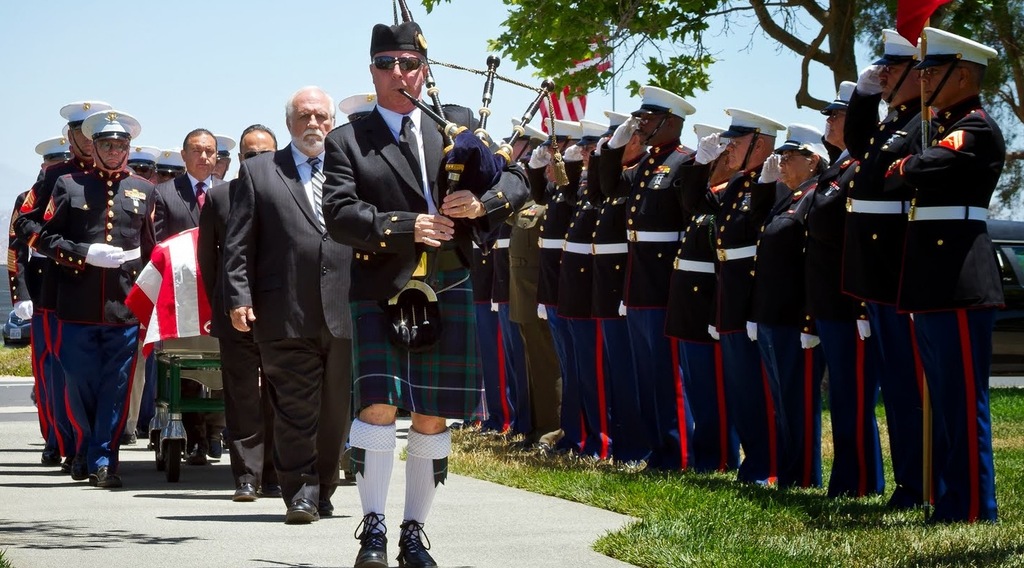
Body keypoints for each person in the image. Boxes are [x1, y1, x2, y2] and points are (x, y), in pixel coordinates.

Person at [320, 17, 529, 567]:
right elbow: (339, 214)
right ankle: (373, 529)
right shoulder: (349, 140)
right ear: (372, 71)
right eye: (387, 64)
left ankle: (414, 532)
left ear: (424, 69)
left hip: (449, 280)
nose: (399, 74)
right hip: (380, 286)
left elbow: (518, 181)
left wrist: (483, 204)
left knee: (433, 414)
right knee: (378, 407)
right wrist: (403, 225)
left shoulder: (453, 131)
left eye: (409, 64)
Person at [887, 27, 1004, 523]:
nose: (924, 78)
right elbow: (896, 171)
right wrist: (908, 163)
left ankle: (975, 506)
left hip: (959, 278)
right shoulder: (943, 125)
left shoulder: (975, 128)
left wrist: (908, 163)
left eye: (932, 71)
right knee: (942, 399)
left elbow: (914, 170)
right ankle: (950, 497)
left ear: (963, 75)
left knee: (960, 401)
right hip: (934, 279)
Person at [225, 86, 353, 524]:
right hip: (284, 310)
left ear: (332, 123)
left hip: (345, 310)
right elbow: (238, 244)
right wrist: (238, 297)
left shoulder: (349, 168)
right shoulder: (260, 172)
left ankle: (324, 485)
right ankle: (299, 491)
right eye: (304, 117)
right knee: (295, 407)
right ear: (289, 124)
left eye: (321, 117)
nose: (313, 125)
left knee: (336, 409)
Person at [35, 109, 156, 488]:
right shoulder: (69, 184)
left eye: (121, 145)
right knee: (78, 383)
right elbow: (43, 237)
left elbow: (152, 249)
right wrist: (82, 253)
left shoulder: (144, 189)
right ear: (95, 147)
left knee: (116, 388)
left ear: (128, 148)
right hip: (77, 306)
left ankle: (105, 459)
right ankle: (84, 448)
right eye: (107, 144)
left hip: (122, 308)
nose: (115, 152)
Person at [842, 29, 926, 509]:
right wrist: (864, 97)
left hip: (899, 267)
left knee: (910, 384)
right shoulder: (892, 120)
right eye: (884, 70)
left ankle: (921, 480)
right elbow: (860, 147)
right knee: (895, 385)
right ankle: (908, 481)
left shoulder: (925, 123)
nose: (885, 75)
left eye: (893, 70)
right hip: (877, 272)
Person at [679, 108, 785, 484]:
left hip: (753, 297)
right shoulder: (739, 184)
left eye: (737, 142)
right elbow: (695, 204)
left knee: (759, 390)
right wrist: (699, 165)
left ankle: (767, 466)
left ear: (761, 144)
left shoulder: (775, 183)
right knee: (742, 390)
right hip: (729, 294)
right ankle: (753, 463)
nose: (729, 148)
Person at [598, 86, 697, 471]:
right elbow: (609, 188)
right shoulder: (648, 164)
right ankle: (659, 449)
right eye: (639, 119)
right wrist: (611, 149)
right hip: (638, 281)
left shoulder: (684, 163)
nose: (640, 125)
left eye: (648, 120)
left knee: (667, 375)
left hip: (663, 282)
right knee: (646, 375)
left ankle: (679, 452)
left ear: (670, 122)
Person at [15, 101, 113, 479]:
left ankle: (99, 447)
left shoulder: (122, 178)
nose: (88, 142)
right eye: (81, 133)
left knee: (105, 376)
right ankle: (67, 444)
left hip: (108, 296)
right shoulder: (57, 176)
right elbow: (25, 224)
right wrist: (66, 252)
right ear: (70, 137)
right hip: (60, 289)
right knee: (62, 374)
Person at [805, 82, 886, 498]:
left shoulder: (859, 166)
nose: (830, 121)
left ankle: (862, 481)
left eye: (836, 115)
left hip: (846, 299)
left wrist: (858, 305)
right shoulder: (837, 167)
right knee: (842, 396)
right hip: (827, 298)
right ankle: (849, 478)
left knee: (854, 398)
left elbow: (859, 238)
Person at [198, 124, 280, 501]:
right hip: (236, 316)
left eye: (266, 155)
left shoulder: (289, 195)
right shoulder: (219, 199)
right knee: (243, 396)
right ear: (238, 161)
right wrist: (230, 302)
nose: (257, 162)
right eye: (250, 156)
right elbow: (210, 264)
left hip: (283, 316)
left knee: (282, 395)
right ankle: (247, 476)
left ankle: (277, 471)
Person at [748, 124, 829, 488]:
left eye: (789, 157)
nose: (781, 163)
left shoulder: (815, 197)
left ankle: (803, 475)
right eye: (780, 156)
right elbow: (756, 230)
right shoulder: (789, 197)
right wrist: (764, 187)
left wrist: (809, 320)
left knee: (798, 402)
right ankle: (788, 471)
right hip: (771, 314)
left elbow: (814, 263)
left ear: (813, 161)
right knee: (781, 401)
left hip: (793, 317)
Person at [665, 122, 741, 473]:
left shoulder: (729, 195)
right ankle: (704, 457)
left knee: (715, 395)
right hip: (689, 306)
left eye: (712, 157)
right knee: (698, 390)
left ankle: (719, 458)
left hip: (707, 304)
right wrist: (699, 168)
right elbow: (689, 199)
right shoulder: (708, 196)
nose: (705, 163)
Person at [153, 127, 226, 465]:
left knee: (223, 367)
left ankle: (215, 432)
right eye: (197, 151)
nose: (204, 157)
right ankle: (193, 435)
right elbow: (157, 247)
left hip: (220, 295)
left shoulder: (228, 192)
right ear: (183, 156)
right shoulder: (166, 194)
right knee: (185, 369)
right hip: (181, 297)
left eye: (210, 151)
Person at [589, 110, 647, 464]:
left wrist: (607, 155)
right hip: (609, 285)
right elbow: (600, 192)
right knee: (617, 374)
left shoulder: (642, 173)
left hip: (628, 283)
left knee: (631, 373)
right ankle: (624, 442)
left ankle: (636, 444)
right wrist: (603, 155)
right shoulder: (620, 175)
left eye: (622, 140)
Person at [555, 119, 612, 458]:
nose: (588, 153)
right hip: (573, 288)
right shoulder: (583, 184)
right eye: (585, 149)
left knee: (596, 373)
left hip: (598, 288)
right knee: (577, 371)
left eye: (594, 148)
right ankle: (581, 435)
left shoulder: (607, 183)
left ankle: (601, 439)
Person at [528, 119, 583, 452]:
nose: (552, 159)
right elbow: (538, 194)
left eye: (557, 153)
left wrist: (573, 164)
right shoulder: (558, 189)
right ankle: (570, 430)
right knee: (567, 365)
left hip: (574, 286)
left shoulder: (578, 186)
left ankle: (579, 431)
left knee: (578, 368)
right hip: (555, 286)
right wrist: (536, 165)